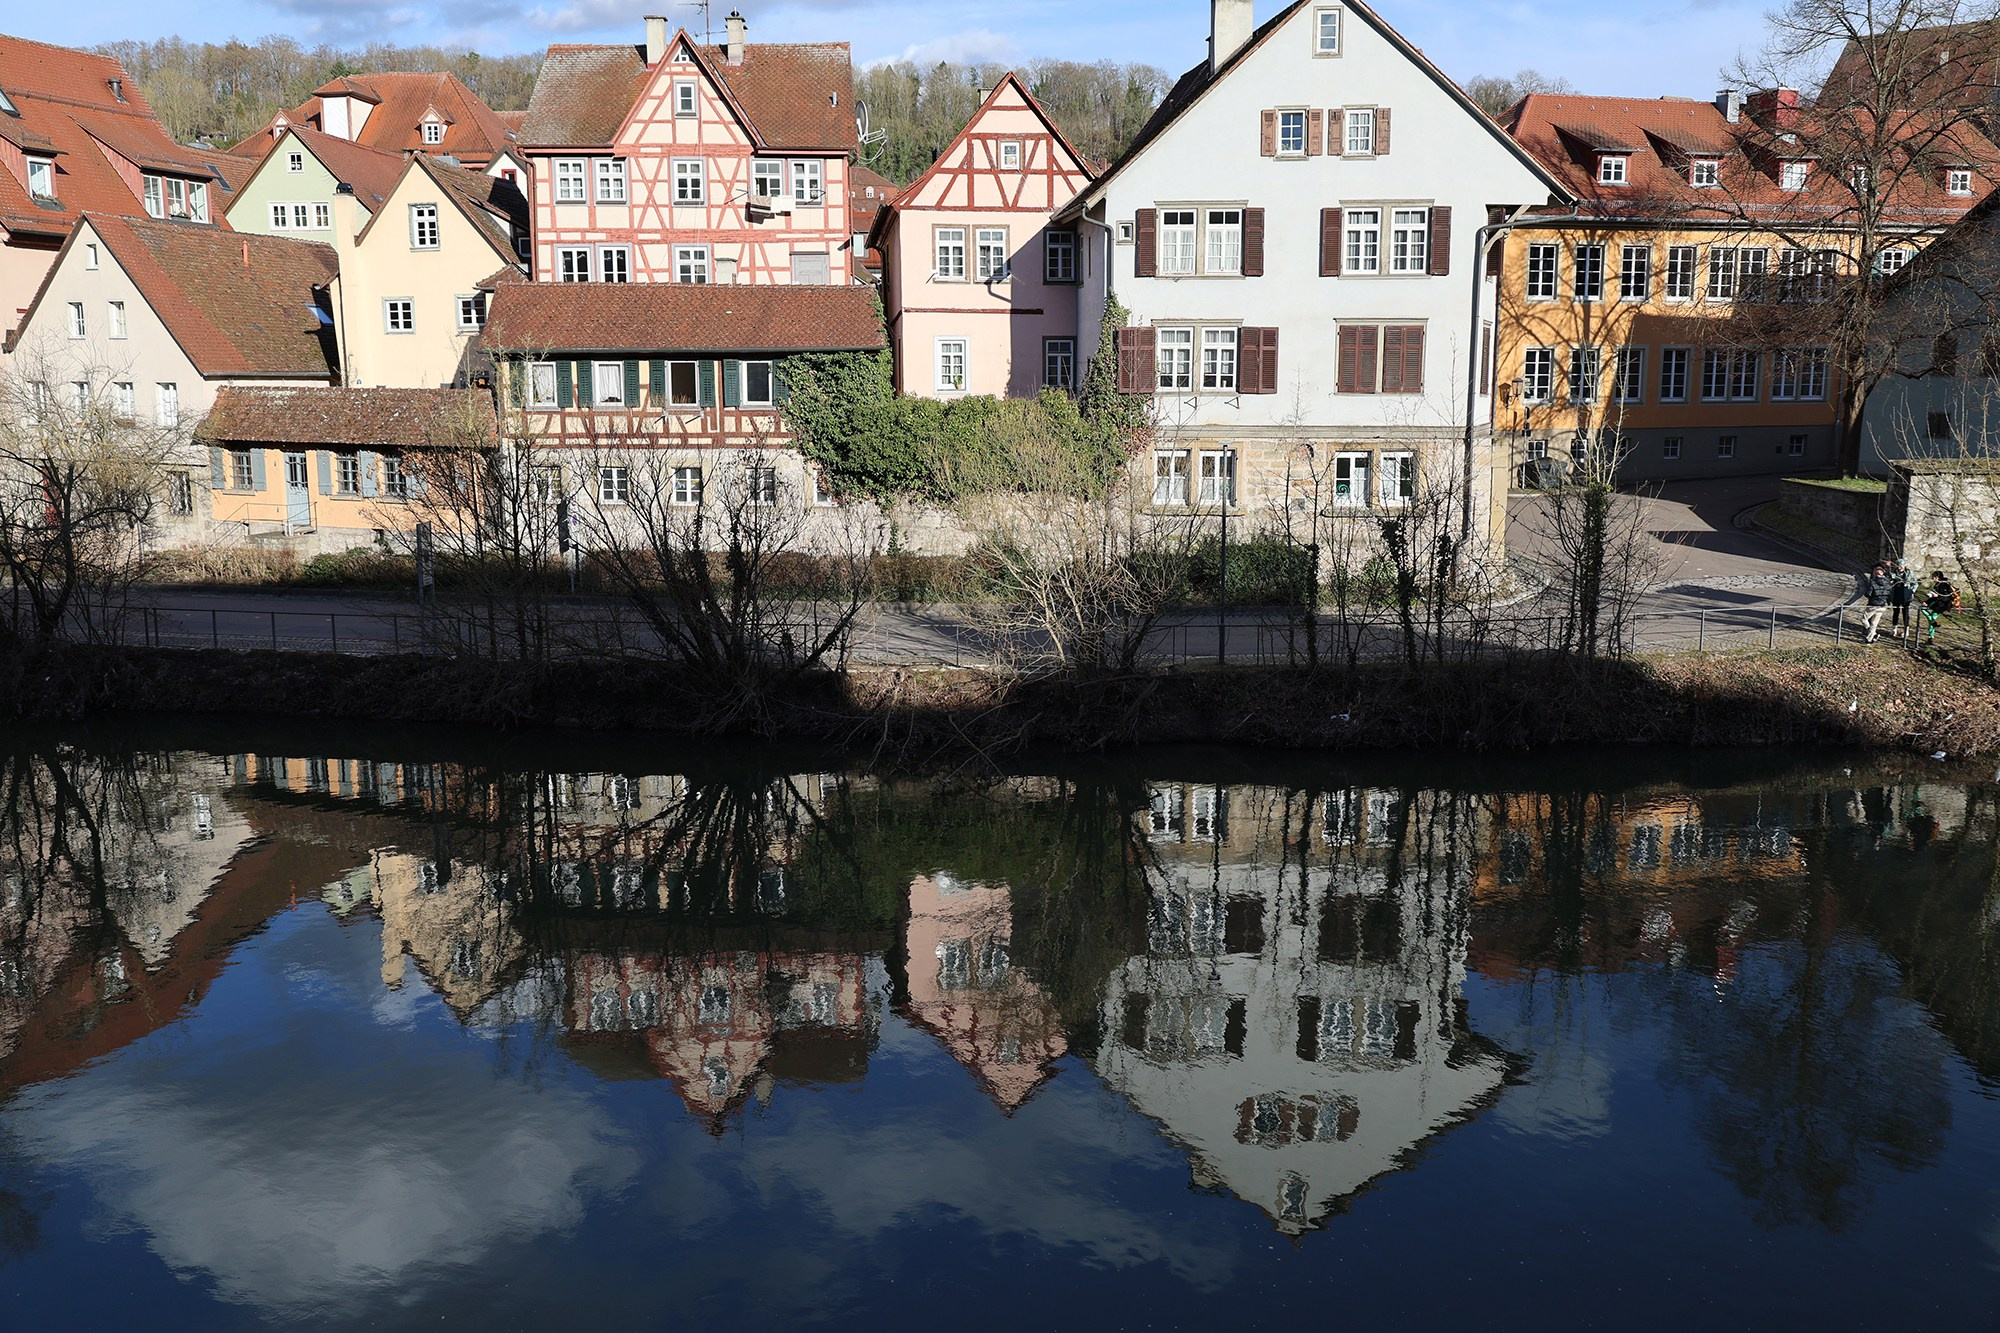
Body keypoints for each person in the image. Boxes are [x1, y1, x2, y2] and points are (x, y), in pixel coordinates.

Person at [1922, 570, 1957, 642]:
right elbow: (1935, 597)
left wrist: (1937, 596)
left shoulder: (1944, 584)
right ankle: (1933, 624)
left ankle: (1931, 637)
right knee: (1923, 609)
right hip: (1937, 602)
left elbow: (1947, 597)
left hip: (1943, 604)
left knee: (1932, 617)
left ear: (1937, 577)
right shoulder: (1936, 585)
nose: (1932, 579)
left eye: (1933, 577)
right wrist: (1927, 602)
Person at [1861, 562, 1891, 642]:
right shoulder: (1887, 582)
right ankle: (1869, 639)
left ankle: (1873, 634)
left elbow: (1869, 594)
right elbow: (1889, 593)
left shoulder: (1873, 582)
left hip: (1873, 605)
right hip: (1882, 606)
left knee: (1864, 619)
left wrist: (1866, 594)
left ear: (1875, 573)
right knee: (1874, 623)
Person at [1889, 559, 1917, 639]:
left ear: (1904, 566)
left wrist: (1911, 591)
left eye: (1901, 566)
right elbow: (1889, 581)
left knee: (1905, 613)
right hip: (1896, 595)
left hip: (1906, 596)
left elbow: (1915, 583)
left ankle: (1906, 630)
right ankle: (1894, 629)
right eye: (1898, 566)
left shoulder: (1909, 573)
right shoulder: (1893, 573)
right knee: (1895, 612)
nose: (1899, 567)